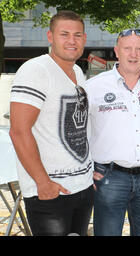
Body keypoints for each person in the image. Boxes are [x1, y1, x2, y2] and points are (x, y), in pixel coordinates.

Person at [9, 10, 93, 236]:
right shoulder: (36, 70)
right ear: (50, 36)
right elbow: (18, 131)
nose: (71, 41)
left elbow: (80, 127)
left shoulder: (77, 71)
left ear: (84, 39)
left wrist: (88, 173)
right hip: (50, 193)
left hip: (81, 187)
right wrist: (42, 183)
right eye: (64, 34)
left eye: (77, 35)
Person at [85, 28, 140, 236]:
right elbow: (79, 131)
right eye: (127, 48)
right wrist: (85, 168)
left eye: (138, 49)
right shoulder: (94, 87)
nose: (133, 54)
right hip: (109, 177)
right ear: (116, 51)